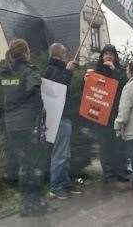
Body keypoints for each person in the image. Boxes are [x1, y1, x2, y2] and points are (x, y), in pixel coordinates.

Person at [0, 39, 48, 217]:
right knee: (34, 165)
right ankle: (37, 205)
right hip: (28, 124)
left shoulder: (6, 73)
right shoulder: (29, 72)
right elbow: (36, 100)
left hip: (12, 125)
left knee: (24, 166)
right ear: (26, 52)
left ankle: (26, 206)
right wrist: (40, 117)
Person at [43, 43, 82, 200]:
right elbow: (59, 89)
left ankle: (64, 183)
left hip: (63, 116)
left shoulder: (55, 69)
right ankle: (56, 187)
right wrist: (68, 72)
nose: (67, 55)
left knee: (64, 153)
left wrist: (66, 71)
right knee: (60, 152)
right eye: (65, 52)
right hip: (58, 117)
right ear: (58, 54)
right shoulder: (52, 70)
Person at [91, 44, 129, 182]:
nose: (108, 56)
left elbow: (125, 84)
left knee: (119, 145)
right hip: (102, 115)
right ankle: (108, 173)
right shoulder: (96, 72)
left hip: (116, 114)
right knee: (105, 146)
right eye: (106, 54)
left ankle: (121, 172)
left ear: (115, 57)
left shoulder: (120, 70)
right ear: (102, 57)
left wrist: (114, 70)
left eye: (111, 54)